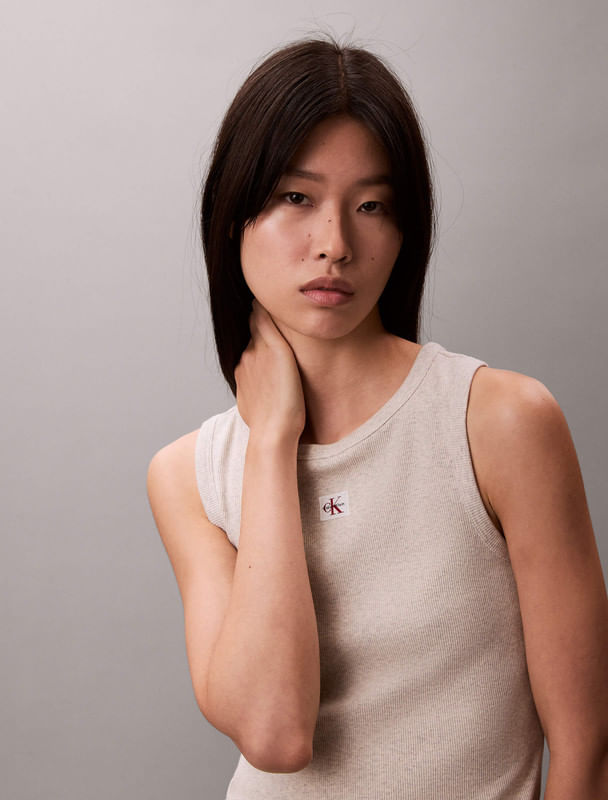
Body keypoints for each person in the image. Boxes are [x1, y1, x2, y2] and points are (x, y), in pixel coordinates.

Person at [146, 35, 608, 799]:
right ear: (233, 216)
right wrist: (272, 445)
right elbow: (275, 733)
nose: (335, 245)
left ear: (404, 231)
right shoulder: (187, 477)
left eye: (371, 206)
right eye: (296, 199)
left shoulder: (499, 423)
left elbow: (587, 754)